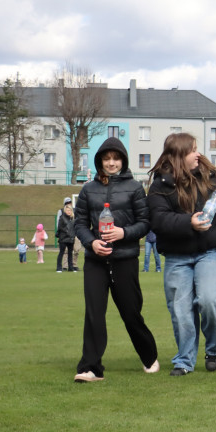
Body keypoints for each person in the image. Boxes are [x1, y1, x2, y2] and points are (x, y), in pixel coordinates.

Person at [147, 133, 216, 376]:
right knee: (181, 310)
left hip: (208, 252)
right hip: (177, 256)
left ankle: (214, 348)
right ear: (178, 156)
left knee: (211, 301)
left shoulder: (209, 174)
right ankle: (184, 361)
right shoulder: (159, 186)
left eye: (197, 149)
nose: (198, 154)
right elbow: (159, 220)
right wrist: (189, 222)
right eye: (192, 151)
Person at [73, 137, 159, 382]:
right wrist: (92, 242)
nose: (111, 163)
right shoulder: (88, 189)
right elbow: (79, 223)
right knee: (94, 313)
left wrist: (123, 233)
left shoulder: (134, 188)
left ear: (123, 160)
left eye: (116, 158)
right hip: (95, 261)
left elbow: (145, 223)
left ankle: (149, 356)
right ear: (100, 160)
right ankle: (91, 368)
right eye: (106, 158)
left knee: (131, 313)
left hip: (125, 259)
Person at [56, 203, 77, 272]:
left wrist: (73, 235)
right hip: (63, 238)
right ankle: (59, 268)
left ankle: (70, 268)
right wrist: (66, 233)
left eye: (70, 210)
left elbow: (74, 228)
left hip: (71, 238)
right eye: (67, 210)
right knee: (61, 253)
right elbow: (60, 228)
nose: (69, 212)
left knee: (70, 253)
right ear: (65, 210)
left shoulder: (73, 219)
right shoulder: (62, 218)